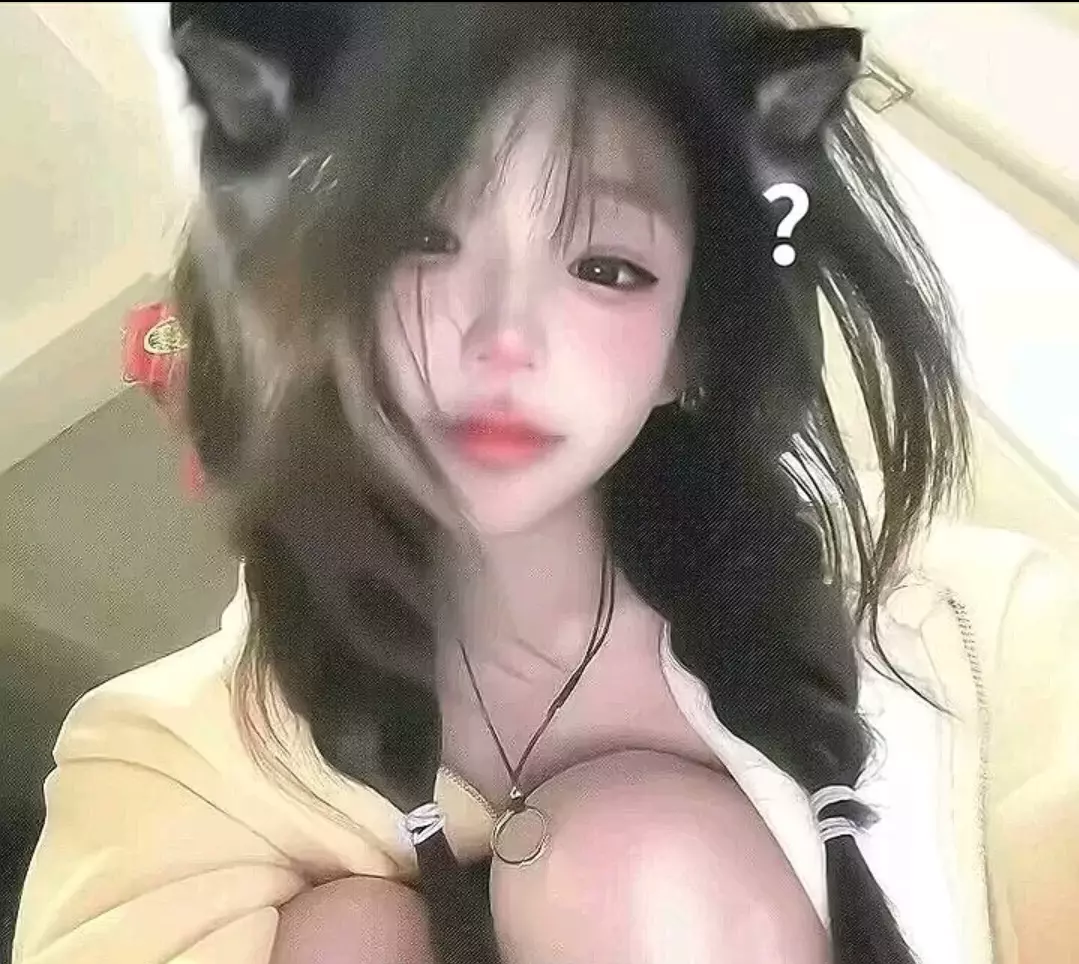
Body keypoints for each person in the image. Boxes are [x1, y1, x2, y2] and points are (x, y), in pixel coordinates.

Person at [17, 3, 1078, 964]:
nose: (504, 338)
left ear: (688, 344)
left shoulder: (969, 631)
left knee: (623, 863)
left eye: (606, 266)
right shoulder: (164, 760)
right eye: (420, 238)